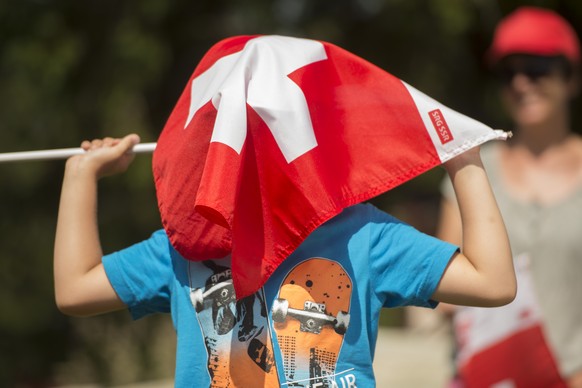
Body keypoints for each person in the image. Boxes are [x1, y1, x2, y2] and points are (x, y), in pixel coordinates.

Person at [53, 133, 515, 387]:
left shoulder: (363, 234)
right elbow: (75, 290)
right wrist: (80, 174)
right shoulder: (188, 240)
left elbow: (492, 284)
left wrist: (464, 157)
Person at [437, 6, 582, 388]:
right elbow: (445, 288)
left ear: (571, 78)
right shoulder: (472, 166)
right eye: (508, 72)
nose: (521, 83)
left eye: (536, 68)